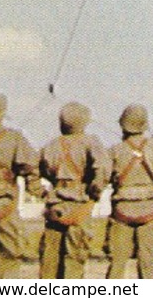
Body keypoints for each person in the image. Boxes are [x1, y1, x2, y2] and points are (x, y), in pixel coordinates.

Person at [107, 103, 153, 279]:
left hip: (122, 210)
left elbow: (102, 177)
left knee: (117, 263)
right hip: (150, 210)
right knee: (147, 263)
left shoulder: (114, 151)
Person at [38, 102, 110, 279]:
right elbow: (103, 168)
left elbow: (36, 169)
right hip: (79, 204)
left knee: (49, 261)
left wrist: (44, 191)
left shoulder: (50, 145)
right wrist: (95, 192)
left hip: (55, 204)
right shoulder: (91, 142)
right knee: (74, 260)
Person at [0, 91, 39, 277]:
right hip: (6, 204)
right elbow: (30, 166)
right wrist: (34, 187)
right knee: (10, 255)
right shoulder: (14, 138)